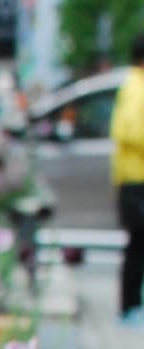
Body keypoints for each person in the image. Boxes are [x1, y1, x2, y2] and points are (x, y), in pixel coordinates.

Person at [117, 34, 144, 325]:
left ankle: (133, 305)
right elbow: (130, 132)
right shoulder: (137, 88)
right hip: (137, 180)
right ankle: (130, 307)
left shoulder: (134, 85)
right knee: (137, 245)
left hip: (135, 178)